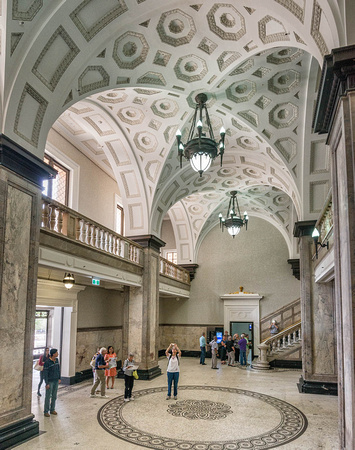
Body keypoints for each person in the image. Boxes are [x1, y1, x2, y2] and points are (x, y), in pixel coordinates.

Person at [43, 348, 61, 417]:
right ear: (53, 354)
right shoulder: (47, 362)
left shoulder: (56, 360)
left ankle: (52, 409)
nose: (57, 354)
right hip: (50, 381)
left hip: (56, 380)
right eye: (56, 353)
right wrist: (46, 383)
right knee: (48, 396)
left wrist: (59, 378)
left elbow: (58, 369)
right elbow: (45, 373)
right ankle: (46, 411)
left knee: (54, 396)